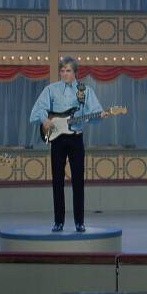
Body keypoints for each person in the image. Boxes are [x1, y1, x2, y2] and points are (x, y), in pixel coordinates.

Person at [30, 56, 107, 232]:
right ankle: (58, 221)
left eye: (68, 71)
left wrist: (99, 115)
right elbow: (38, 109)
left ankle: (79, 221)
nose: (65, 74)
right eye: (62, 70)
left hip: (76, 138)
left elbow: (93, 112)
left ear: (75, 73)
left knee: (78, 181)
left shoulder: (84, 91)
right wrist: (44, 119)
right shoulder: (51, 89)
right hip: (57, 139)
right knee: (57, 181)